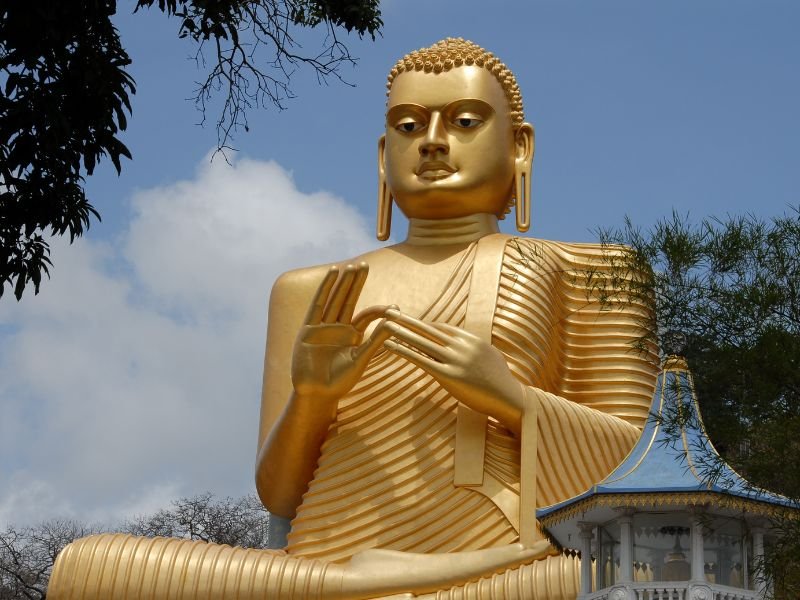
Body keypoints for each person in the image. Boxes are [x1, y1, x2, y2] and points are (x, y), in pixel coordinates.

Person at [48, 38, 658, 599]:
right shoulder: (309, 290)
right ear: (381, 154)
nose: (433, 141)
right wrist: (312, 398)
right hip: (324, 564)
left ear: (520, 147)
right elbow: (281, 494)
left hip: (508, 565)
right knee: (89, 568)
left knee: (642, 565)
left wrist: (512, 399)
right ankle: (379, 588)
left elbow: (641, 476)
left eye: (466, 122)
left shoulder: (594, 269)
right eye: (408, 125)